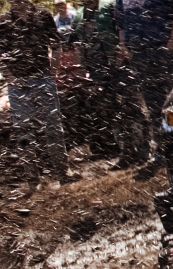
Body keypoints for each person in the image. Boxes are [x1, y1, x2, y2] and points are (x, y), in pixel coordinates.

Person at [0, 0, 70, 179]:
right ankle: (32, 179)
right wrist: (11, 78)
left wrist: (53, 73)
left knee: (53, 126)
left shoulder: (43, 15)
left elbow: (56, 45)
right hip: (18, 84)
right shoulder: (1, 22)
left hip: (43, 78)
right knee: (24, 131)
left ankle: (62, 172)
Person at [73, 0, 150, 165]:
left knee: (132, 106)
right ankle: (126, 152)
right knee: (112, 112)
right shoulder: (79, 16)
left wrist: (122, 51)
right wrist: (81, 68)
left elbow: (123, 30)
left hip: (119, 65)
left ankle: (144, 148)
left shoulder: (109, 6)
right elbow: (78, 44)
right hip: (97, 71)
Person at [116, 0, 173, 169]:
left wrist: (170, 46)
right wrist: (124, 47)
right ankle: (163, 151)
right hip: (140, 56)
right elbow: (122, 26)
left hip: (164, 49)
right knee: (154, 107)